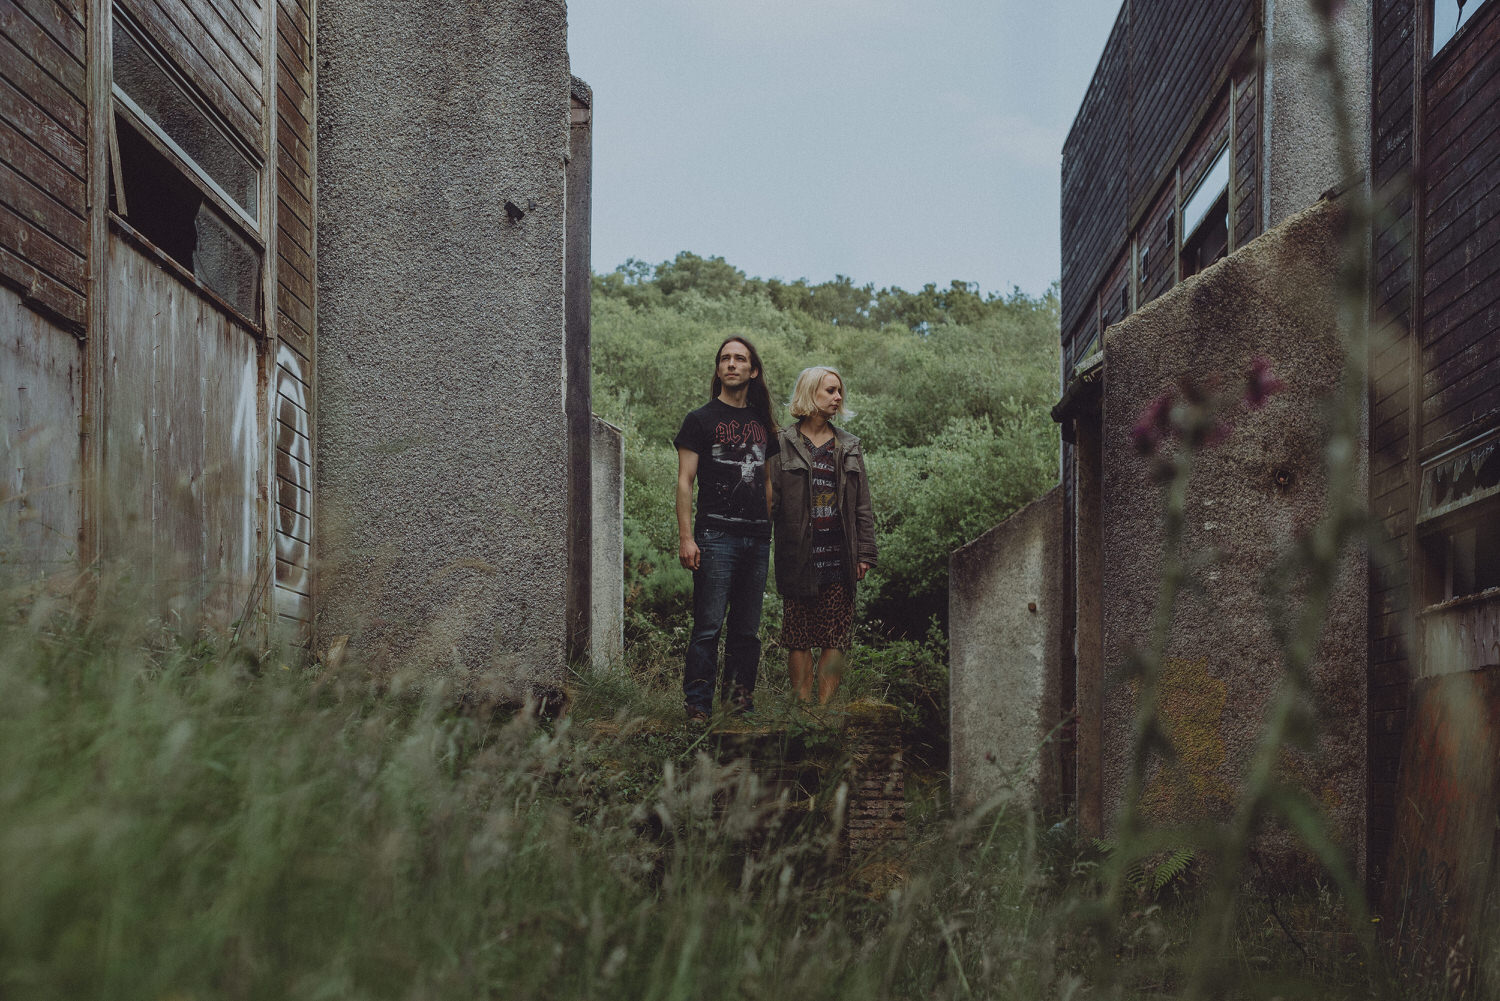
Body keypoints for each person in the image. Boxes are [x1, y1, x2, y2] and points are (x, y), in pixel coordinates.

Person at [673, 336, 780, 722]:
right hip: (715, 536)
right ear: (718, 369)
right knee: (708, 626)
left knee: (747, 631)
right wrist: (687, 537)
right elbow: (685, 481)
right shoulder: (700, 420)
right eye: (724, 359)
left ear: (753, 370)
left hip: (756, 538)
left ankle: (738, 705)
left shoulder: (762, 423)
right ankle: (698, 706)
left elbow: (767, 483)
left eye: (739, 359)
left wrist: (768, 528)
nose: (731, 364)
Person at [768, 366, 876, 705]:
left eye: (839, 391)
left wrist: (865, 553)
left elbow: (862, 505)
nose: (838, 397)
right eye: (830, 391)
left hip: (840, 553)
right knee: (798, 636)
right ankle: (802, 712)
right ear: (809, 392)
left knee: (834, 635)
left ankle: (825, 714)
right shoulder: (783, 442)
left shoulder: (849, 445)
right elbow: (770, 503)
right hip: (798, 554)